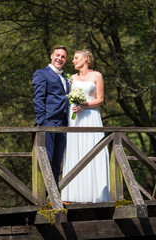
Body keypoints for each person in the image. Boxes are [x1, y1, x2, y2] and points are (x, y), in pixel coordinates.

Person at [61, 50, 110, 203]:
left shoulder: (97, 76)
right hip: (74, 118)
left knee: (91, 150)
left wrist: (84, 105)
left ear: (86, 59)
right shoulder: (71, 78)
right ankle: (73, 195)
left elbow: (100, 99)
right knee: (75, 151)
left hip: (90, 117)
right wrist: (74, 105)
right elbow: (68, 98)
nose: (73, 61)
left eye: (76, 58)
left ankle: (96, 195)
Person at [32, 45, 69, 185]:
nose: (60, 58)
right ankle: (42, 195)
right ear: (52, 56)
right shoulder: (42, 73)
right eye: (57, 55)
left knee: (57, 160)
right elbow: (38, 98)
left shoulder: (65, 77)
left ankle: (52, 195)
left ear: (65, 60)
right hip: (48, 121)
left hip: (63, 123)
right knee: (45, 159)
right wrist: (42, 120)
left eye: (63, 57)